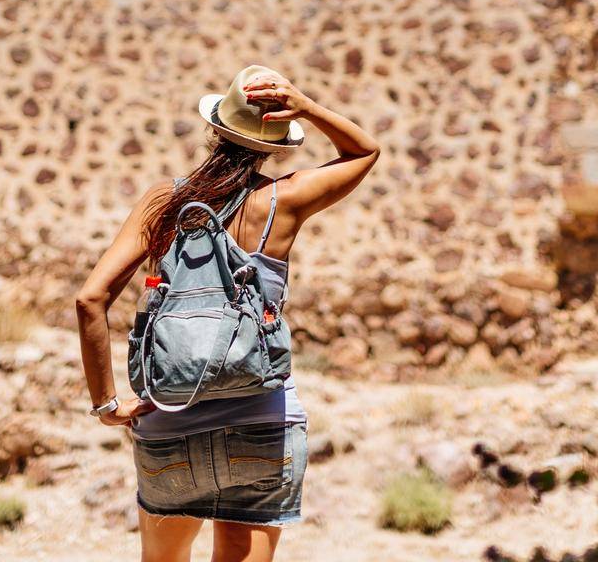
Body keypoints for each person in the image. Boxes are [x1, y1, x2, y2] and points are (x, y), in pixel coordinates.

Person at [76, 66, 381, 562]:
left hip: (169, 419)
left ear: (215, 130)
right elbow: (365, 151)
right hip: (262, 422)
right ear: (277, 144)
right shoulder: (284, 200)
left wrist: (107, 404)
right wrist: (305, 106)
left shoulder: (164, 202)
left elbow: (90, 299)